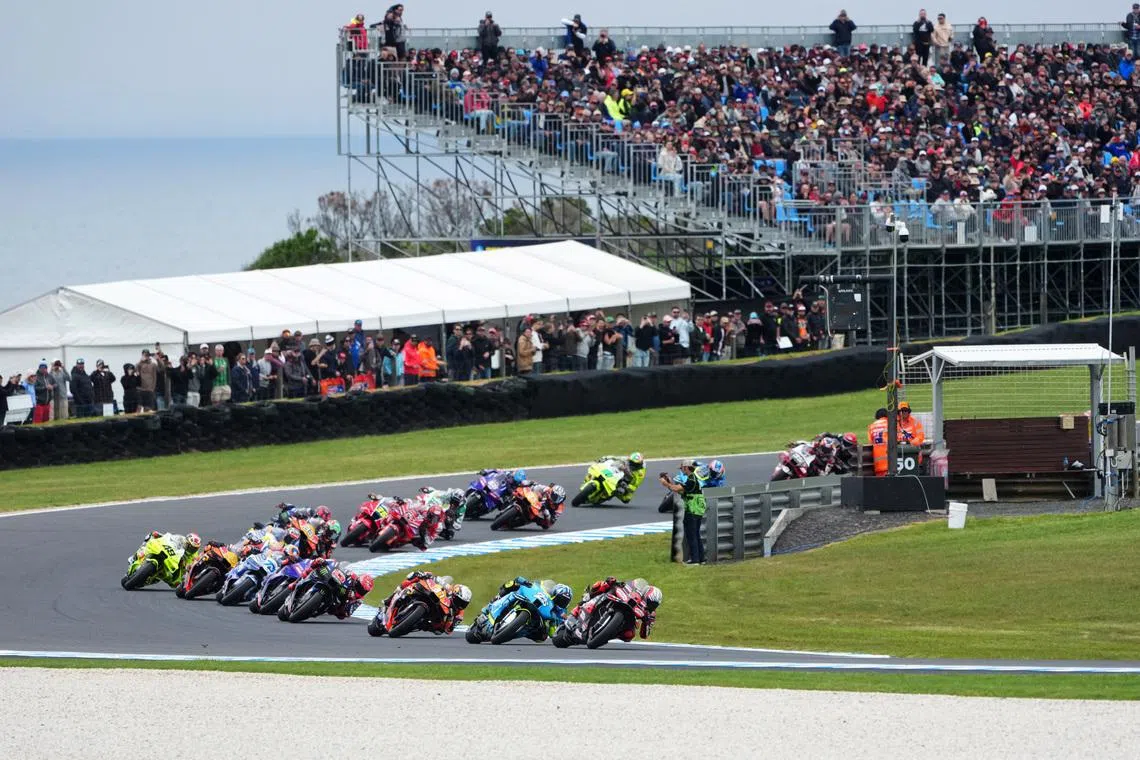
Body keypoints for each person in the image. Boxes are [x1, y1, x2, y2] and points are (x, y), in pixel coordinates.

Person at [376, 571, 471, 634]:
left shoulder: (459, 613)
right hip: (431, 596)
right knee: (415, 575)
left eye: (463, 604)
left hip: (435, 617)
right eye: (459, 601)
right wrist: (426, 575)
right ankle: (392, 596)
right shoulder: (448, 588)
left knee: (438, 631)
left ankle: (413, 624)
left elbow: (448, 630)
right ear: (454, 594)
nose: (460, 605)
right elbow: (437, 579)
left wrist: (450, 619)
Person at [570, 577, 661, 641]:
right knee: (602, 584)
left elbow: (644, 635)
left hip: (629, 617)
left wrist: (646, 622)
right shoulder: (636, 592)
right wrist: (615, 582)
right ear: (646, 595)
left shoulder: (650, 614)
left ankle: (606, 634)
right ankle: (586, 599)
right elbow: (630, 585)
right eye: (650, 602)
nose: (651, 606)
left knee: (629, 635)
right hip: (620, 600)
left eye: (654, 605)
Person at [487, 577, 573, 640]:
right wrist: (524, 582)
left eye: (565, 601)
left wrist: (555, 624)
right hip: (530, 601)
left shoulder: (561, 612)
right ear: (554, 594)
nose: (562, 602)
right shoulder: (546, 593)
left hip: (539, 619)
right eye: (560, 599)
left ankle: (511, 633)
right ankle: (496, 599)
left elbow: (553, 633)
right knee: (513, 583)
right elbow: (536, 586)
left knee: (542, 637)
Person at [660, 460, 705, 564]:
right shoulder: (693, 478)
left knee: (691, 535)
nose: (681, 470)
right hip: (697, 509)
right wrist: (669, 483)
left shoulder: (691, 479)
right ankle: (701, 559)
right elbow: (680, 490)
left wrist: (666, 483)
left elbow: (677, 488)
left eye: (682, 468)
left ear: (686, 467)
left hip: (692, 510)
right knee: (696, 534)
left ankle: (695, 560)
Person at [867, 407, 890, 476]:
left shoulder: (871, 426)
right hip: (891, 464)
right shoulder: (891, 424)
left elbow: (870, 443)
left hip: (878, 465)